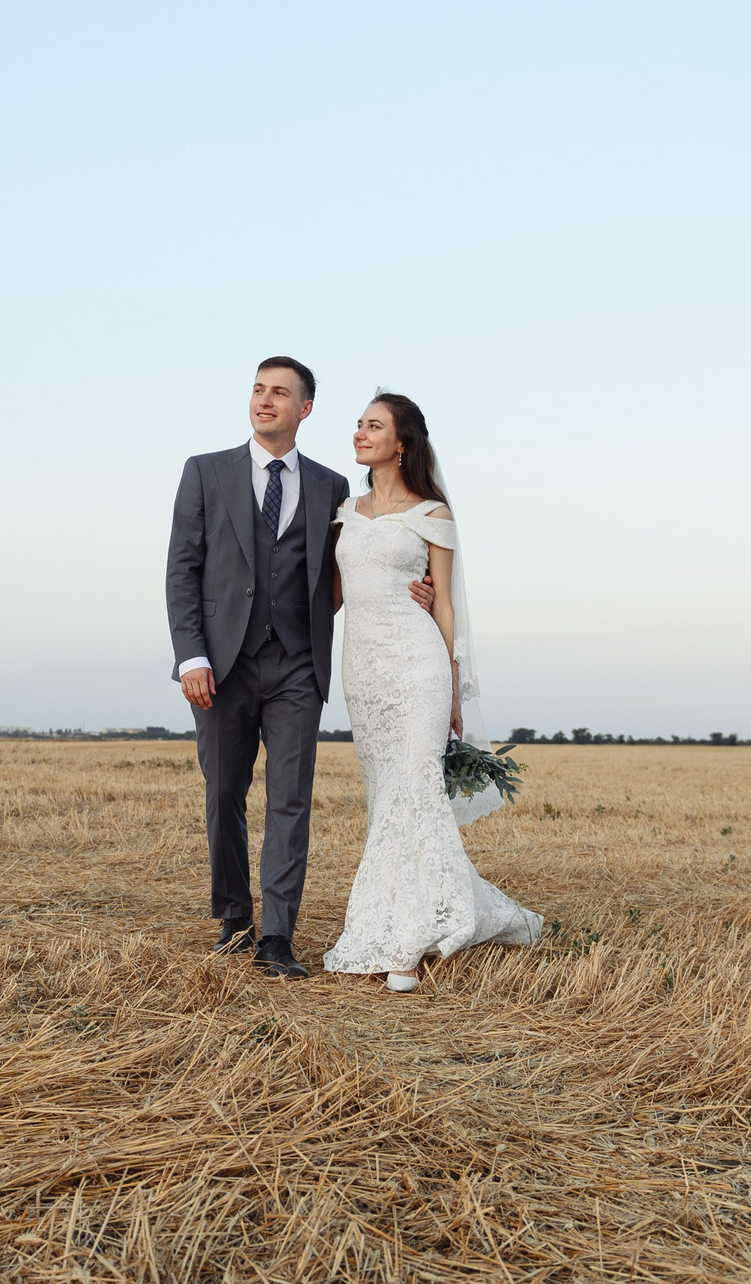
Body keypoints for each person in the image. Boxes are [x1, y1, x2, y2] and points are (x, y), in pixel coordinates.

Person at [320, 392, 542, 992]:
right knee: (386, 794)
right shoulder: (345, 510)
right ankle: (478, 910)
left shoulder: (432, 513)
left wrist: (451, 691)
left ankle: (405, 939)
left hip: (418, 663)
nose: (361, 434)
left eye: (375, 426)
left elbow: (442, 602)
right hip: (363, 670)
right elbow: (334, 597)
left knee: (415, 786)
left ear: (402, 442)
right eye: (359, 425)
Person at [165, 357, 349, 980]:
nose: (265, 401)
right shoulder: (205, 472)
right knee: (224, 796)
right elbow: (182, 571)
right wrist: (191, 655)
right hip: (221, 666)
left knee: (290, 802)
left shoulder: (332, 487)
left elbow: (343, 576)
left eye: (280, 394)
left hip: (298, 665)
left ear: (305, 409)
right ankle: (233, 918)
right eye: (258, 389)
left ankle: (277, 936)